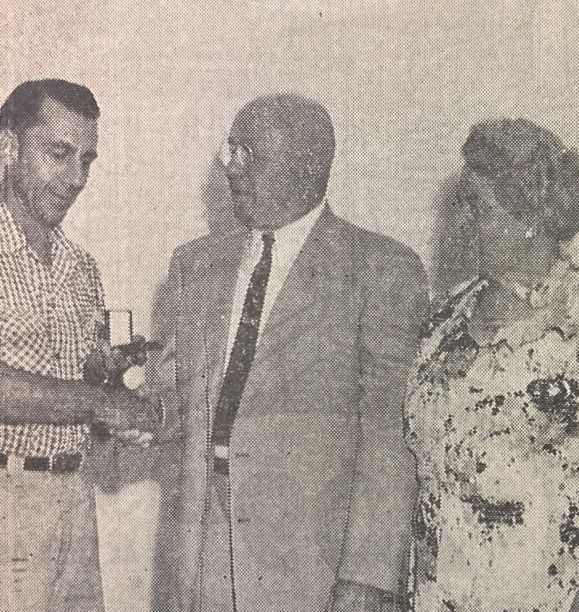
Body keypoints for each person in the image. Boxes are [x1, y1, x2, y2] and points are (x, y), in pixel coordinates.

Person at [148, 93, 429, 612]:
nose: (229, 167)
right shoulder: (195, 264)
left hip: (312, 562)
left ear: (306, 166)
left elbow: (390, 433)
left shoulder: (380, 269)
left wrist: (369, 577)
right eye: (229, 150)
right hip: (202, 553)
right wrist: (135, 411)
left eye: (246, 153)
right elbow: (180, 401)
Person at [404, 118, 579, 612]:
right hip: (446, 594)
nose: (459, 220)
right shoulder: (445, 319)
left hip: (564, 596)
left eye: (476, 206)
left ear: (530, 217)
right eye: (460, 203)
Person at [0, 79, 157, 612]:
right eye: (59, 154)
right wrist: (101, 402)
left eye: (86, 161)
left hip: (74, 496)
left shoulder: (81, 268)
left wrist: (115, 385)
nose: (75, 179)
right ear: (9, 146)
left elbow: (90, 396)